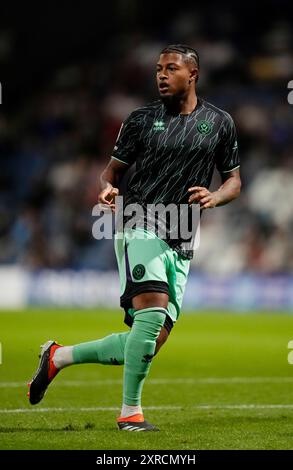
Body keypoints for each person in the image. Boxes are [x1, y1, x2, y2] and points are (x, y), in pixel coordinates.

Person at [27, 44, 241, 431]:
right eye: (158, 68)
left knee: (149, 339)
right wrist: (106, 188)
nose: (161, 74)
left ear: (192, 74)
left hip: (182, 234)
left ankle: (58, 357)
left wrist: (216, 196)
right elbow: (111, 173)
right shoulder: (141, 119)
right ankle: (130, 414)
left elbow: (234, 181)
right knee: (152, 310)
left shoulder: (220, 122)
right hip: (138, 219)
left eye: (170, 68)